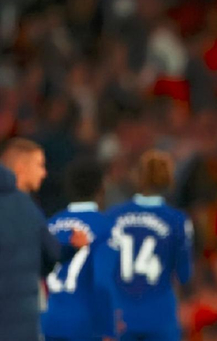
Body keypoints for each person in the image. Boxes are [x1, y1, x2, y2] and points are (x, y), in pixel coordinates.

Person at [0, 138, 86, 341]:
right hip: (22, 319)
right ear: (21, 168)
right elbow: (51, 256)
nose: (44, 173)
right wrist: (73, 247)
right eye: (39, 165)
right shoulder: (28, 209)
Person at [104, 149, 194, 341]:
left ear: (138, 177)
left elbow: (103, 268)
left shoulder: (113, 216)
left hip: (120, 316)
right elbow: (184, 274)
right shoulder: (178, 220)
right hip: (160, 316)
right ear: (169, 179)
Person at [42, 158, 117, 341]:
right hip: (86, 324)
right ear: (101, 188)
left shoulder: (50, 224)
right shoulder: (105, 227)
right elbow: (103, 282)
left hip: (49, 321)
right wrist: (109, 329)